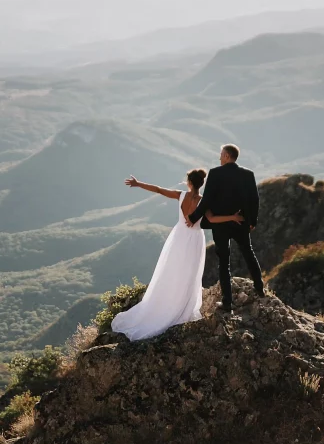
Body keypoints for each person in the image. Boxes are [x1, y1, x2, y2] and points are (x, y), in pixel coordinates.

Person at [111, 168, 244, 341]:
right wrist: (232, 217)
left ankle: (168, 301)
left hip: (179, 236)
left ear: (189, 183)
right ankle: (181, 305)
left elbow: (158, 189)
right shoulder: (204, 201)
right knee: (189, 274)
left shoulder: (180, 195)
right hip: (194, 239)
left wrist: (138, 184)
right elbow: (212, 220)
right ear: (201, 184)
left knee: (173, 269)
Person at [186, 144, 265, 311]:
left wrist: (193, 217)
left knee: (224, 262)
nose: (219, 157)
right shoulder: (248, 174)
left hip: (221, 224)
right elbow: (255, 199)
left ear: (228, 156)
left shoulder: (215, 173)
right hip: (240, 222)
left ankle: (227, 302)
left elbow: (206, 200)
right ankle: (260, 288)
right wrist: (252, 221)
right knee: (248, 253)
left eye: (221, 154)